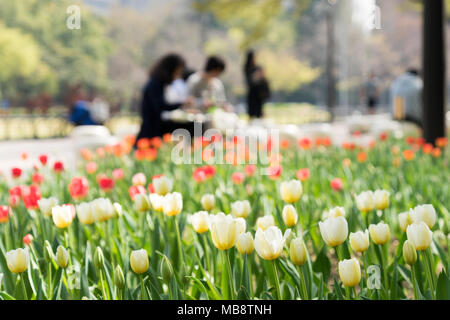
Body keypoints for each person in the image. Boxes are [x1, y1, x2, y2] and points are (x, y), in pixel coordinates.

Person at [135, 53, 186, 141]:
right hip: (151, 129)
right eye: (177, 71)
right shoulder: (155, 84)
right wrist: (181, 105)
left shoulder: (159, 84)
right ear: (171, 69)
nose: (178, 75)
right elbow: (160, 106)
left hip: (154, 127)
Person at [244, 50, 271, 119]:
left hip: (259, 94)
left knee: (260, 112)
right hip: (252, 94)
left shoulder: (258, 67)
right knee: (252, 112)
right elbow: (249, 81)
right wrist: (256, 76)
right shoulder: (247, 68)